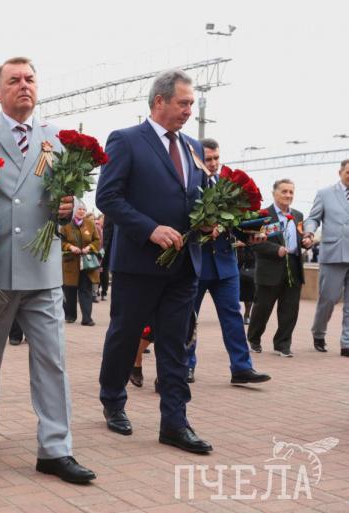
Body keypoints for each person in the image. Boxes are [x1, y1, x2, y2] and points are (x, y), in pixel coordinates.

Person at [0, 56, 96, 484]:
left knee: (52, 361)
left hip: (43, 270)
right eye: (14, 80)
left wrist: (71, 207)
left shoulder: (57, 138)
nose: (24, 85)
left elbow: (75, 199)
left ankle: (56, 448)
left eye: (30, 79)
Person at [95, 69, 212, 454]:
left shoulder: (193, 147)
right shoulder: (126, 140)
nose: (189, 110)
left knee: (175, 343)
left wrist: (208, 220)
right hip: (139, 264)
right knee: (125, 334)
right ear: (159, 101)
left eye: (192, 104)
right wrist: (150, 229)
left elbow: (196, 196)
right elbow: (107, 197)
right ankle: (113, 399)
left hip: (184, 263)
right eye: (183, 103)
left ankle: (174, 423)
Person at [185, 138, 271, 385]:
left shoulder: (227, 186)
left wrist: (251, 235)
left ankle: (241, 368)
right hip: (196, 264)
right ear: (197, 160)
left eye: (216, 158)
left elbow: (236, 223)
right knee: (189, 317)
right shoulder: (189, 186)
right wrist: (201, 228)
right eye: (208, 159)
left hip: (225, 265)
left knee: (233, 316)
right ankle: (185, 365)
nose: (213, 163)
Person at [247, 179, 305, 357]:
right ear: (274, 193)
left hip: (294, 267)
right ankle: (254, 339)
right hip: (270, 268)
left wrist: (306, 241)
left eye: (291, 192)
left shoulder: (298, 215)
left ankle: (282, 344)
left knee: (290, 309)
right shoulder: (262, 215)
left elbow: (299, 237)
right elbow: (254, 242)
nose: (288, 195)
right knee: (262, 308)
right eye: (284, 191)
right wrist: (276, 250)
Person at [303, 159, 349, 357]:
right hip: (333, 254)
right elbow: (313, 218)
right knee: (329, 299)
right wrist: (309, 233)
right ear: (340, 172)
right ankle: (319, 332)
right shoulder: (325, 193)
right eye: (348, 172)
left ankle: (346, 343)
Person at [59, 200, 101, 326]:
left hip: (87, 264)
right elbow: (60, 242)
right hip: (70, 263)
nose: (82, 211)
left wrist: (89, 247)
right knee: (70, 290)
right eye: (79, 209)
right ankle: (70, 315)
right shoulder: (65, 225)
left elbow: (97, 241)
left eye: (84, 209)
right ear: (74, 210)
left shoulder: (90, 224)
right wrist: (70, 247)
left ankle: (87, 318)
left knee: (85, 290)